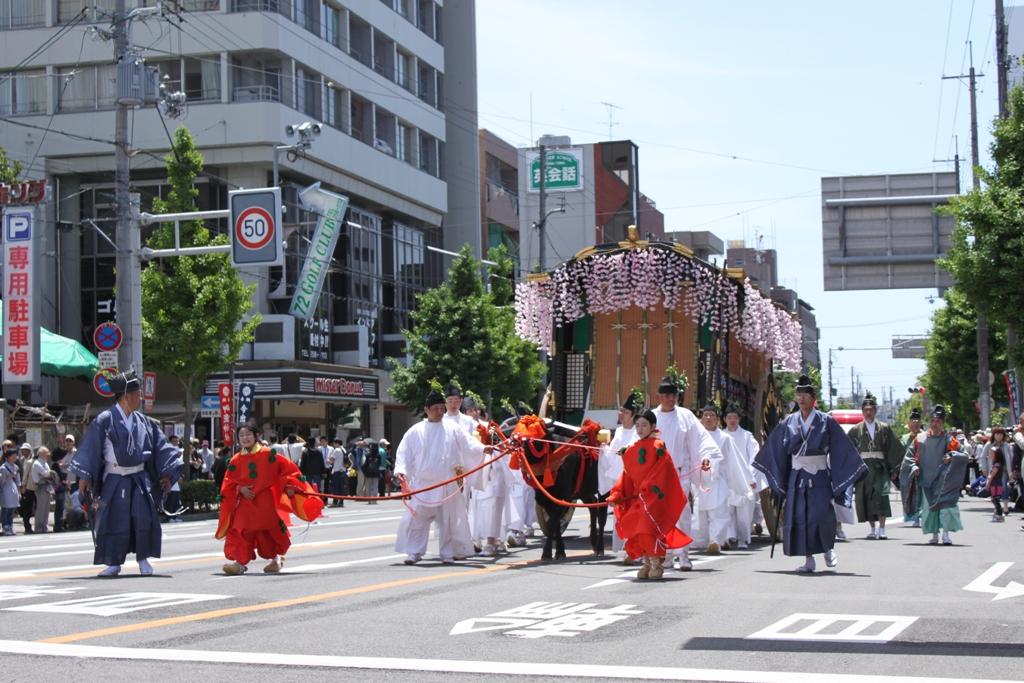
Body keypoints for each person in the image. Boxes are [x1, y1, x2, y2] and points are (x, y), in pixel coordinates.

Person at [70, 371, 183, 577]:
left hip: (139, 478)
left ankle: (143, 559)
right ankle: (113, 562)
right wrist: (85, 477)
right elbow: (92, 449)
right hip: (114, 477)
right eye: (138, 394)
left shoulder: (144, 421)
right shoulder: (104, 420)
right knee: (114, 519)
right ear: (126, 396)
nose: (140, 398)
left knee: (143, 518)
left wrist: (167, 472)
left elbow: (160, 447)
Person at [754, 375, 867, 573]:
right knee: (801, 517)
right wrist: (775, 473)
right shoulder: (789, 422)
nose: (801, 398)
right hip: (797, 476)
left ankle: (827, 548)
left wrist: (852, 470)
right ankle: (809, 559)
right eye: (798, 395)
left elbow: (842, 447)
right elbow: (776, 448)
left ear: (813, 399)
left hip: (819, 474)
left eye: (805, 395)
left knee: (822, 514)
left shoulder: (826, 421)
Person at [394, 386, 490, 565]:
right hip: (424, 484)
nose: (439, 412)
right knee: (418, 520)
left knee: (448, 521)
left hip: (447, 482)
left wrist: (483, 448)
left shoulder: (452, 428)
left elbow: (468, 443)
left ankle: (447, 553)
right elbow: (403, 453)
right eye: (435, 408)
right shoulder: (415, 430)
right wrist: (401, 471)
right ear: (426, 409)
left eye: (441, 408)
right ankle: (414, 552)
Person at [216, 421, 324, 575]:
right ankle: (239, 563)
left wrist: (290, 486)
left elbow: (288, 470)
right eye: (241, 435)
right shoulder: (235, 460)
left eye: (248, 434)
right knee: (239, 530)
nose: (245, 438)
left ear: (256, 436)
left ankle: (276, 559)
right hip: (245, 504)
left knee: (268, 531)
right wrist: (240, 488)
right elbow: (229, 482)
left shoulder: (268, 454)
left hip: (265, 502)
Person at [609, 409, 691, 579]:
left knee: (646, 528)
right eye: (637, 425)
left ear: (653, 426)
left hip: (653, 498)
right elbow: (627, 475)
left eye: (644, 425)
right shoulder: (632, 449)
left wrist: (647, 486)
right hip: (639, 498)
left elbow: (662, 471)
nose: (640, 429)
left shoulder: (658, 446)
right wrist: (616, 494)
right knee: (636, 529)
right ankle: (647, 563)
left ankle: (655, 563)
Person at [653, 373, 722, 571]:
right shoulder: (652, 416)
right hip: (657, 475)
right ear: (659, 397)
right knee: (661, 515)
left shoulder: (685, 416)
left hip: (679, 473)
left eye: (673, 395)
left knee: (682, 514)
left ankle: (683, 554)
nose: (670, 399)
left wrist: (706, 457)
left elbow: (701, 440)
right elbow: (639, 438)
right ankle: (666, 554)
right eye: (666, 395)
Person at [697, 404, 755, 552]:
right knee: (700, 513)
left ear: (717, 419)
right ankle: (704, 540)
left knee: (718, 512)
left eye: (712, 415)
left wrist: (748, 480)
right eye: (706, 415)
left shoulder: (725, 438)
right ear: (701, 418)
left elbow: (735, 462)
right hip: (699, 481)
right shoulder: (696, 436)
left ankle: (716, 541)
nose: (708, 418)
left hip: (718, 480)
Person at [846, 393, 904, 540]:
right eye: (866, 410)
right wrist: (851, 469)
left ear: (875, 411)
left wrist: (894, 469)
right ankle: (872, 528)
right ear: (862, 411)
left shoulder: (884, 428)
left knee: (881, 496)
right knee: (865, 497)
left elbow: (894, 448)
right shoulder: (856, 430)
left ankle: (882, 528)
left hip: (880, 467)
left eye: (871, 409)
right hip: (863, 468)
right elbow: (848, 449)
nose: (868, 412)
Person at [909, 405, 969, 545]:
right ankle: (934, 534)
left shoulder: (950, 440)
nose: (935, 424)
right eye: (933, 421)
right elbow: (910, 457)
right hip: (927, 479)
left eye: (938, 421)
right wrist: (914, 466)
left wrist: (952, 455)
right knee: (929, 509)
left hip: (944, 481)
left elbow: (965, 454)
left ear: (942, 423)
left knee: (947, 507)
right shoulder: (920, 439)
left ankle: (946, 535)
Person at [600, 390, 643, 560]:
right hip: (618, 479)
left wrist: (627, 451)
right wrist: (603, 449)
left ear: (633, 416)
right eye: (621, 411)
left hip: (632, 480)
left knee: (632, 514)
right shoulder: (618, 431)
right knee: (620, 515)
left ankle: (633, 549)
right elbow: (611, 456)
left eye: (625, 412)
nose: (621, 414)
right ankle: (627, 547)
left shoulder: (637, 433)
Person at [724, 404, 766, 547]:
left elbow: (754, 455)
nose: (732, 420)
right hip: (728, 478)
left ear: (739, 419)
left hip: (744, 477)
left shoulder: (747, 436)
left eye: (735, 417)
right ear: (725, 419)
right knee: (727, 509)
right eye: (729, 417)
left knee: (744, 511)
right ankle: (730, 536)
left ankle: (743, 538)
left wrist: (749, 475)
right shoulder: (722, 435)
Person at [898, 408, 925, 527]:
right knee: (909, 494)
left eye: (917, 422)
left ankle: (921, 516)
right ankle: (913, 516)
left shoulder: (925, 436)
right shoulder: (904, 438)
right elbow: (900, 455)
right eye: (913, 422)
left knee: (922, 494)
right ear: (909, 424)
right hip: (908, 470)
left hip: (923, 469)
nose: (915, 424)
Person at [30, 446, 56, 533]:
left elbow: (49, 474)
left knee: (46, 508)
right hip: (41, 486)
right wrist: (49, 475)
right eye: (46, 453)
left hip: (47, 486)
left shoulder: (45, 463)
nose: (48, 454)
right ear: (41, 454)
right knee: (41, 508)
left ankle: (44, 526)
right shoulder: (37, 463)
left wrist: (49, 475)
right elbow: (47, 474)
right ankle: (38, 528)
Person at [1, 445, 21, 536]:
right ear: (8, 457)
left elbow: (18, 481)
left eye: (16, 456)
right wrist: (9, 476)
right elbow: (2, 481)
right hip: (6, 489)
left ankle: (10, 526)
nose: (15, 458)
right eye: (13, 456)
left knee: (12, 510)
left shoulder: (16, 467)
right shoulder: (3, 468)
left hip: (13, 489)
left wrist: (19, 491)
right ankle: (5, 527)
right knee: (5, 509)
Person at [18, 442, 35, 534]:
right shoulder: (20, 460)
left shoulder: (33, 460)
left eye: (25, 450)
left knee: (32, 507)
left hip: (32, 486)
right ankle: (27, 526)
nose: (24, 452)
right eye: (22, 450)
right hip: (24, 487)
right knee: (26, 507)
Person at [326, 438, 348, 507]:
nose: (334, 445)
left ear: (337, 443)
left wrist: (327, 460)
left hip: (337, 471)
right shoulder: (344, 450)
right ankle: (341, 502)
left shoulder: (337, 450)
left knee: (335, 487)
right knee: (342, 488)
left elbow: (331, 460)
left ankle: (335, 502)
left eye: (334, 444)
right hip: (343, 471)